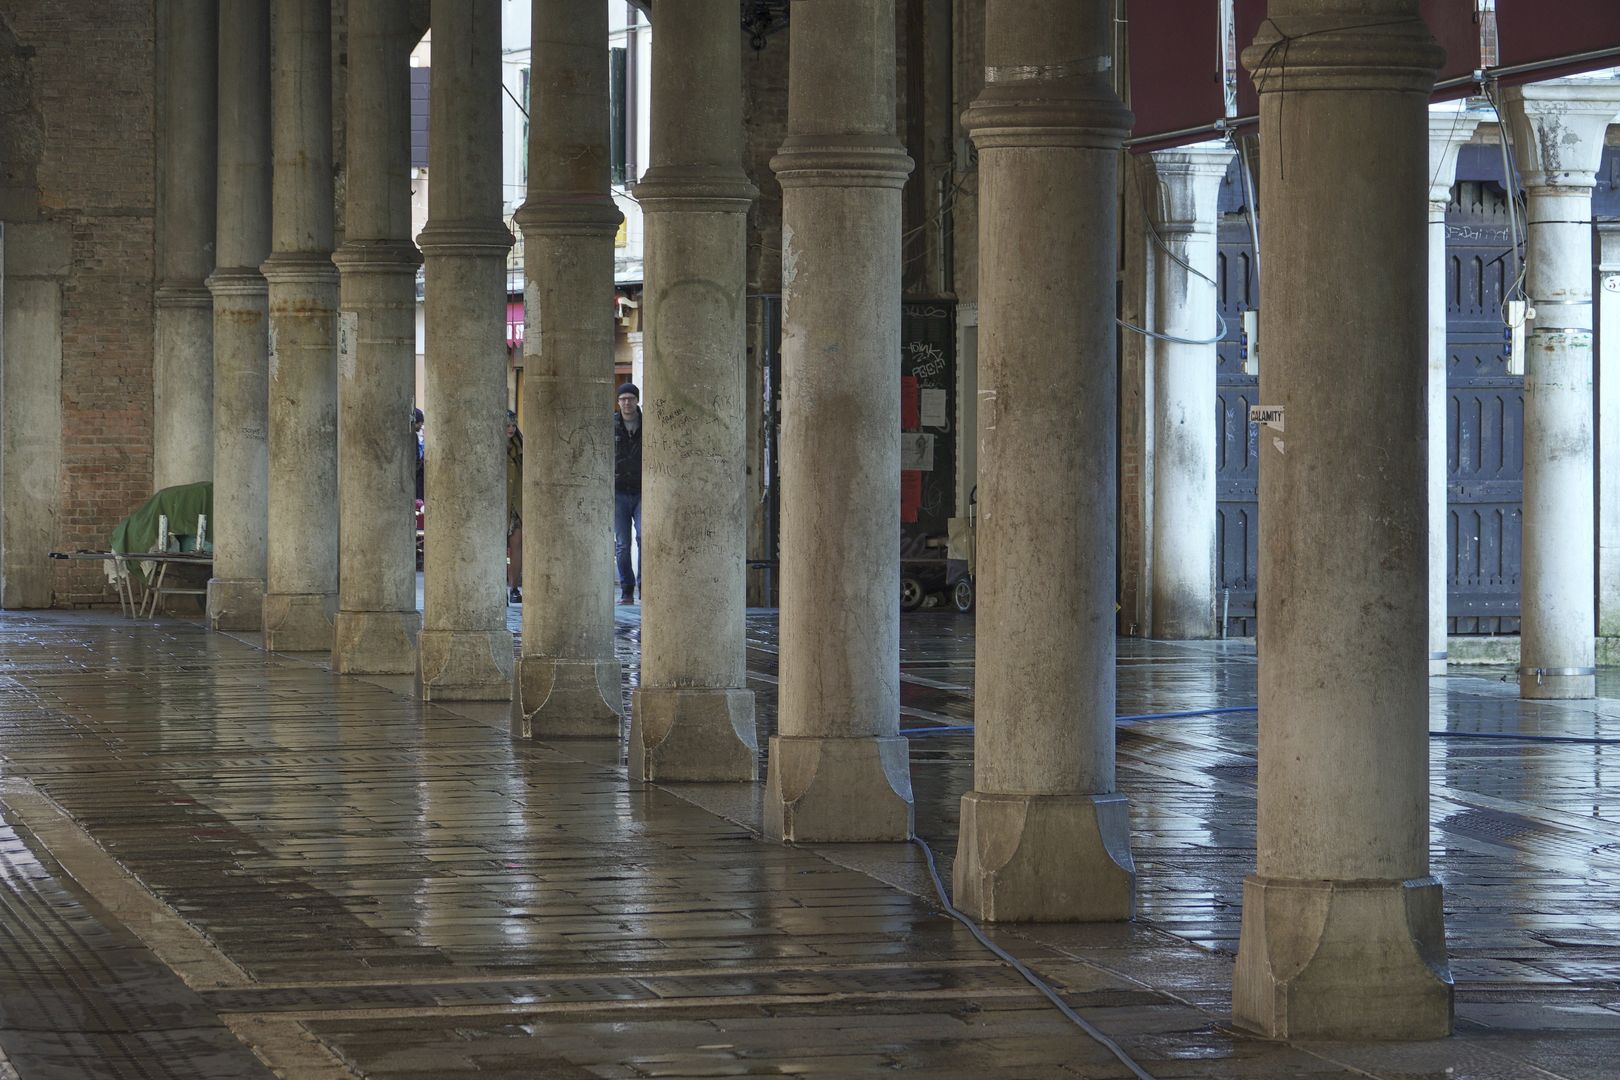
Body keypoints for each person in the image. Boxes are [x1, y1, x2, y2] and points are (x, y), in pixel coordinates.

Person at [613, 382, 643, 604]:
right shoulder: (612, 424)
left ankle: (646, 585)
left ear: (636, 400)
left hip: (643, 491)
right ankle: (627, 588)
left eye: (630, 398)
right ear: (618, 402)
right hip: (618, 492)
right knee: (622, 544)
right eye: (623, 399)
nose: (627, 403)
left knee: (644, 538)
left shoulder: (647, 423)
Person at [506, 410, 523, 605]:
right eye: (507, 425)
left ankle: (514, 587)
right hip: (498, 502)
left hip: (516, 501)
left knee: (516, 544)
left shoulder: (521, 445)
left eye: (513, 425)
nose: (511, 429)